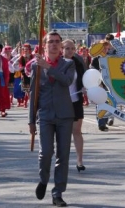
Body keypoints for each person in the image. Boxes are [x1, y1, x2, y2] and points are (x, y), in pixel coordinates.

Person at [28, 31, 75, 207]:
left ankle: (58, 193)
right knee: (46, 152)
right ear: (45, 45)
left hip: (65, 115)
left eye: (57, 42)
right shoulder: (35, 66)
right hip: (45, 114)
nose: (54, 45)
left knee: (63, 155)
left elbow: (67, 81)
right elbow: (34, 93)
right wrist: (31, 120)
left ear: (61, 45)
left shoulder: (68, 64)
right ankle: (43, 179)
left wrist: (49, 68)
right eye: (50, 42)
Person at [62, 39, 87, 172]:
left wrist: (84, 86)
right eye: (67, 48)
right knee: (62, 133)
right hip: (61, 102)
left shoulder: (78, 62)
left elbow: (85, 76)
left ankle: (79, 161)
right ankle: (62, 160)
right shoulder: (57, 62)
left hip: (76, 100)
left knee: (76, 131)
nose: (70, 51)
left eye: (72, 48)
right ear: (62, 49)